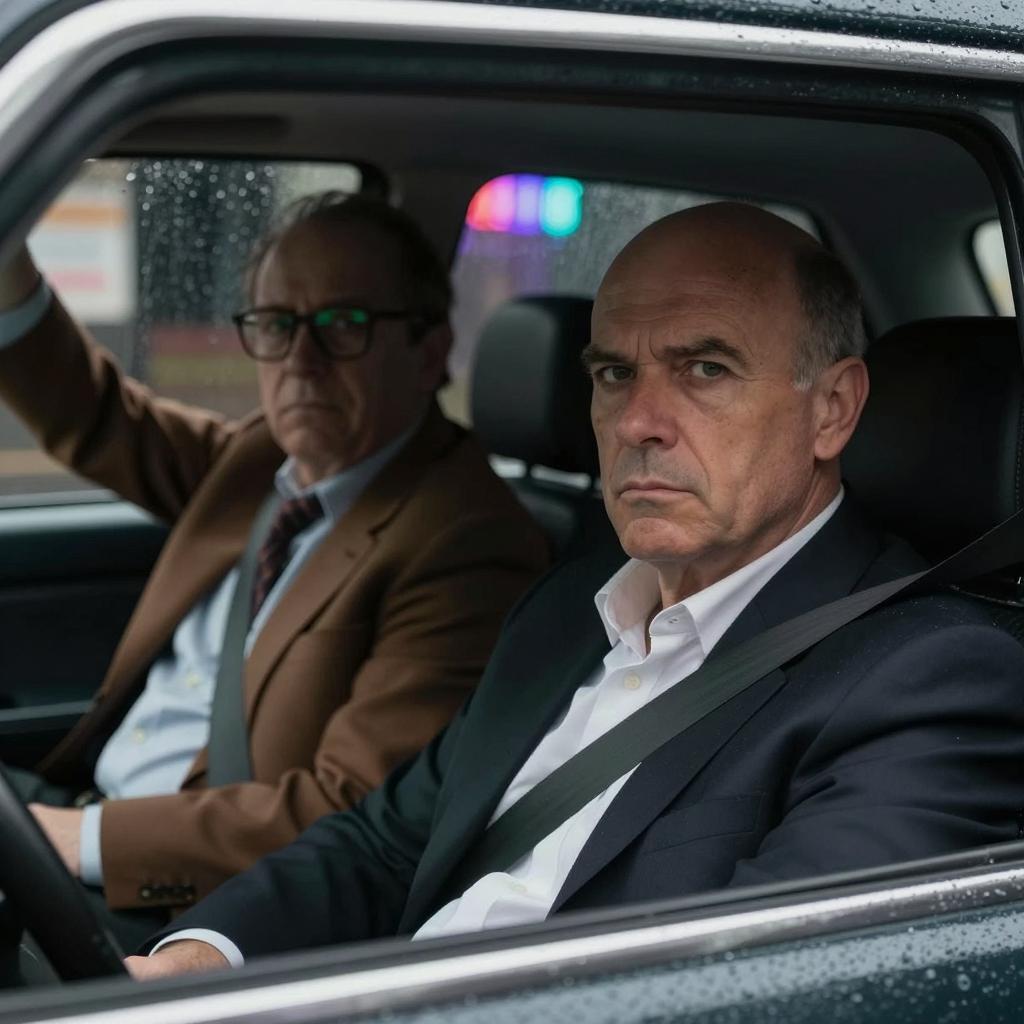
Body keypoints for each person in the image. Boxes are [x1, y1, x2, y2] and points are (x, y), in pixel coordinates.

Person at [129, 200, 1024, 976]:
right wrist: (193, 962)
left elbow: (772, 994)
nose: (638, 421)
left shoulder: (934, 679)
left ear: (832, 409)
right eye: (614, 374)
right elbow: (387, 843)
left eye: (705, 369)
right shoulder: (564, 612)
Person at [0, 193, 548, 947]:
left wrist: (83, 839)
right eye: (276, 324)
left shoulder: (467, 541)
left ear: (429, 351)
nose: (300, 360)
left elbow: (350, 816)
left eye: (342, 324)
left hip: (183, 901)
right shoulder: (263, 458)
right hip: (83, 814)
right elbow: (93, 415)